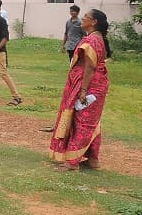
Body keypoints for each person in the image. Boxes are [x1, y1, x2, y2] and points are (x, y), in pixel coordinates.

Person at [50, 9, 112, 171]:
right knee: (91, 121)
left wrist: (83, 90)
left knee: (82, 122)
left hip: (90, 86)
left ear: (94, 22)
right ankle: (92, 159)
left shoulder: (92, 40)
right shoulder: (97, 38)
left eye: (86, 17)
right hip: (95, 84)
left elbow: (90, 67)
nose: (83, 18)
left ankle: (72, 162)